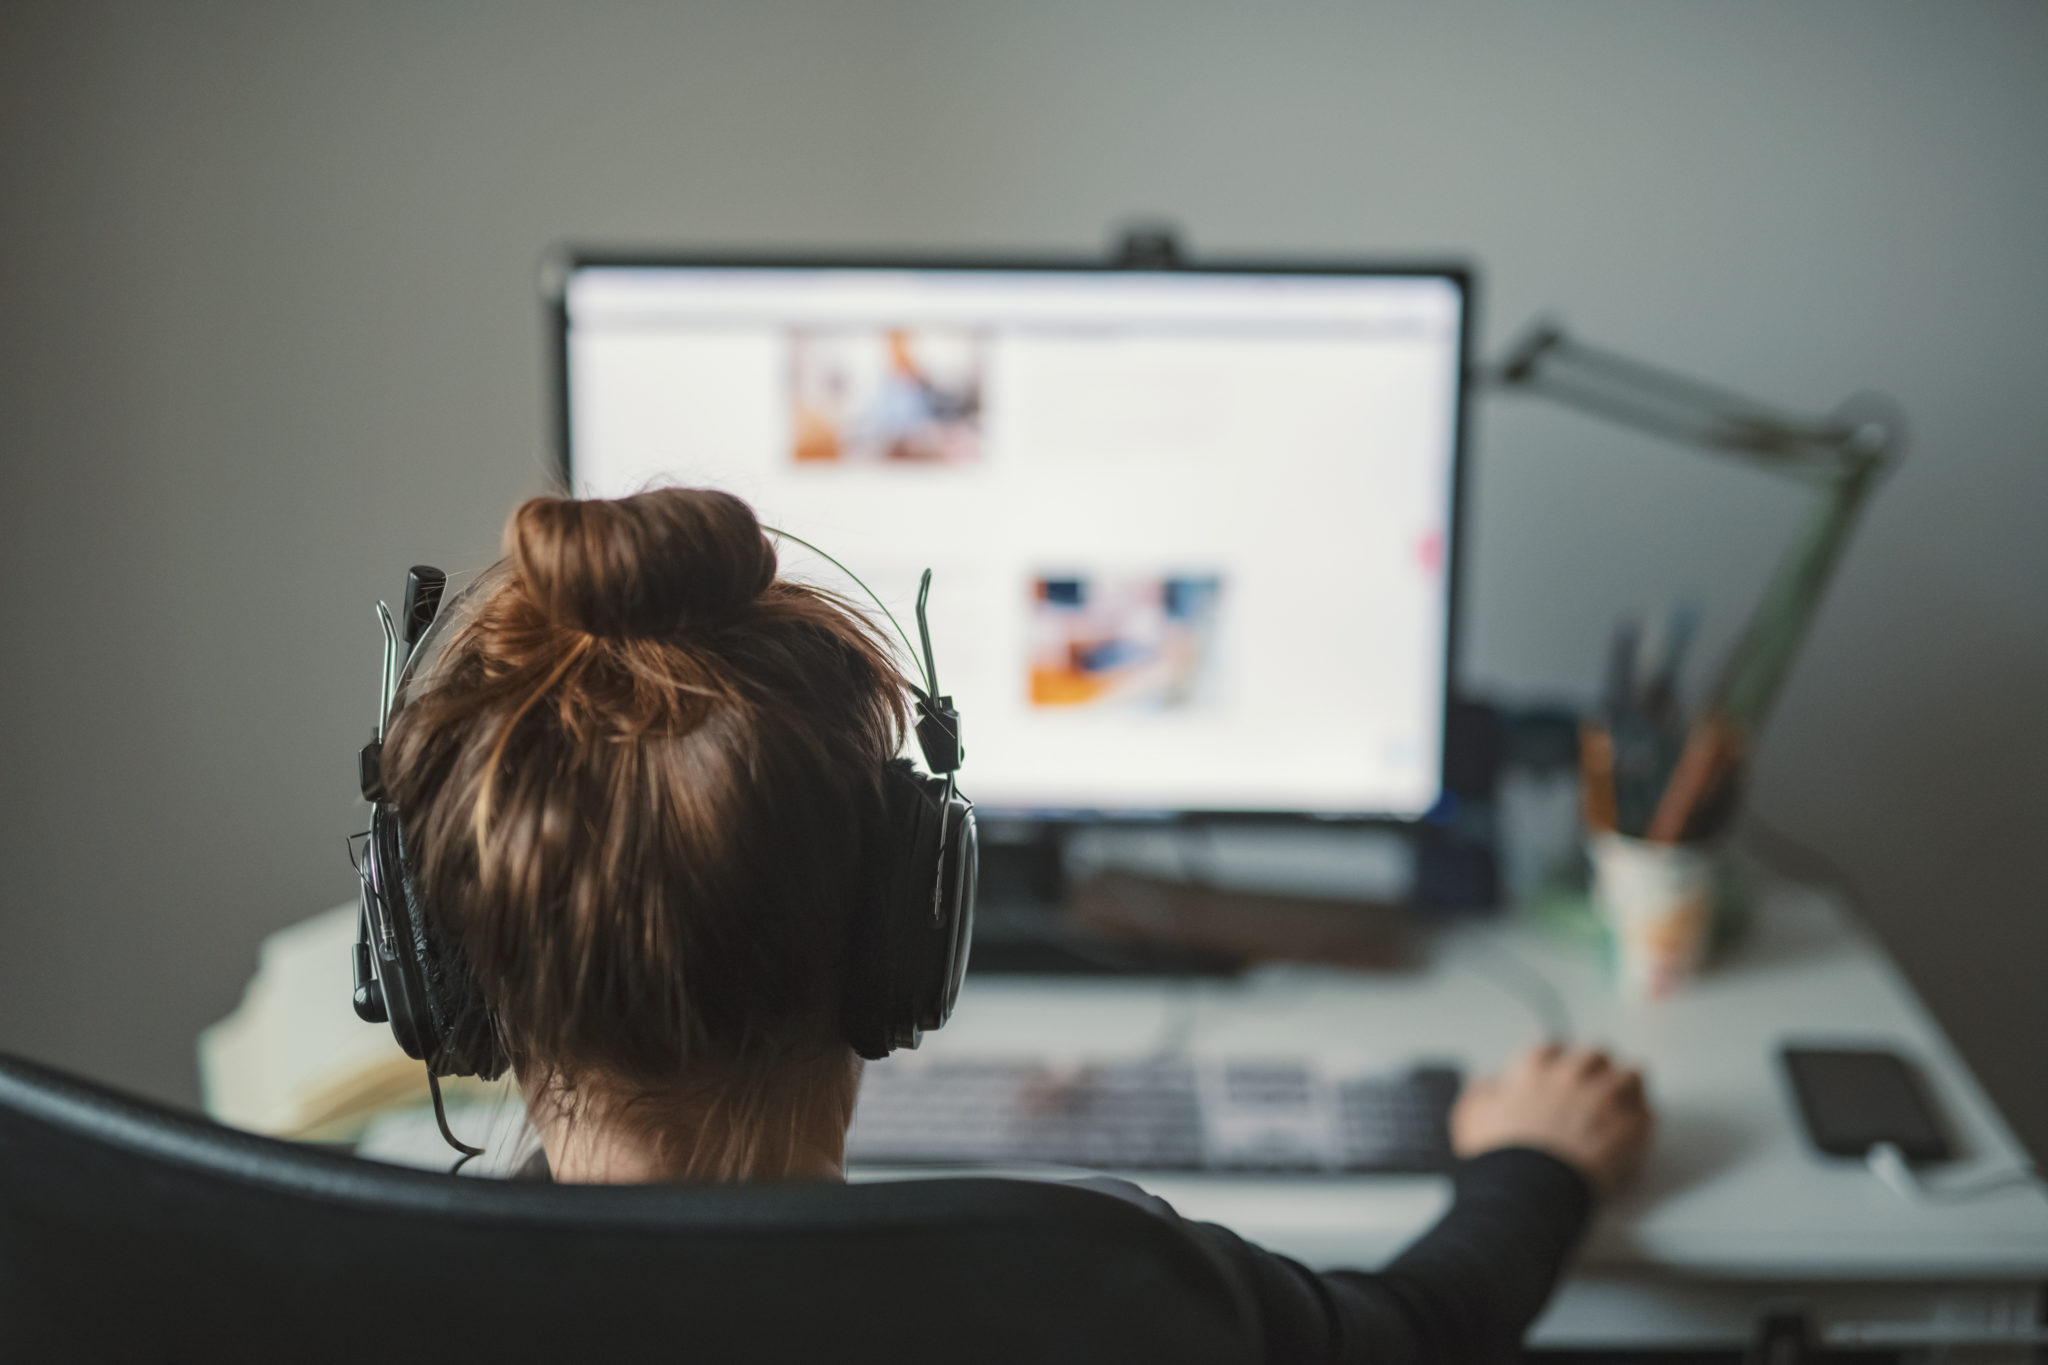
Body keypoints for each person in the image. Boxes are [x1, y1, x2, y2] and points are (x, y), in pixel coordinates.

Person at [380, 485, 1655, 1364]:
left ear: (431, 958)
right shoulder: (1084, 1280)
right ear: (908, 929)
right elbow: (1414, 1334)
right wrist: (1532, 1167)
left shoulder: (367, 1298)